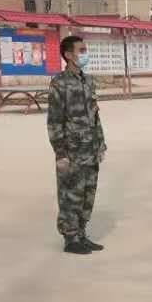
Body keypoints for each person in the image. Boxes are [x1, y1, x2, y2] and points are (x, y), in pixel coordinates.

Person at [47, 34, 107, 255]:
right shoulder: (59, 83)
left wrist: (100, 143)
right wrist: (60, 153)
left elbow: (95, 116)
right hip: (72, 151)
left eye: (85, 50)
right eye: (81, 51)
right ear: (68, 55)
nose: (85, 54)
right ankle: (70, 238)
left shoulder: (88, 81)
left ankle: (81, 233)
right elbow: (54, 121)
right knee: (70, 195)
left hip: (90, 148)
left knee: (87, 193)